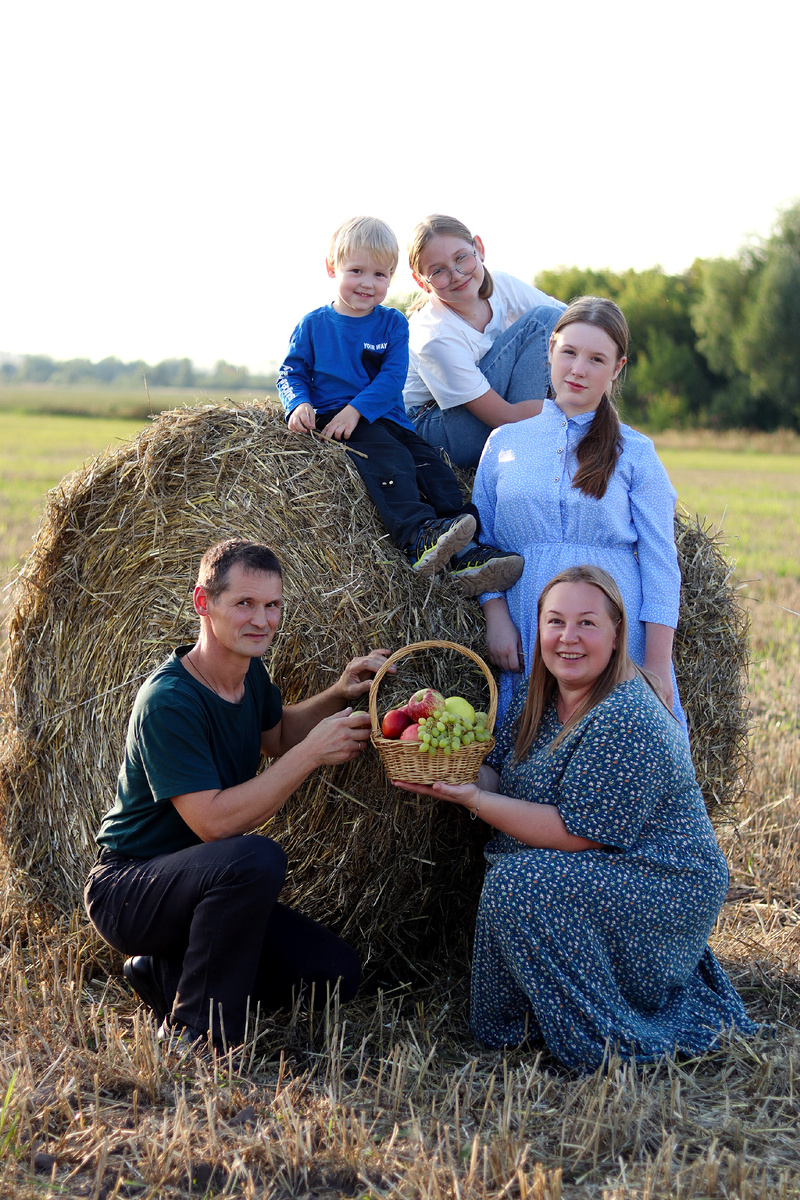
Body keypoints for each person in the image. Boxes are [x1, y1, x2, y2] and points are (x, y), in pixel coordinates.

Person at [395, 567, 759, 1072]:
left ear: (615, 636)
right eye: (555, 621)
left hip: (662, 876)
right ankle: (537, 1020)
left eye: (587, 623)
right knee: (515, 878)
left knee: (521, 883)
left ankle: (608, 1038)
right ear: (537, 627)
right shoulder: (534, 697)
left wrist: (472, 800)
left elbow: (577, 833)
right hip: (608, 865)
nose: (568, 638)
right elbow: (500, 776)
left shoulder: (627, 713)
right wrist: (443, 766)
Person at [84, 538, 391, 1052]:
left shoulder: (249, 676)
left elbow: (277, 736)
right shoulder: (170, 701)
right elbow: (215, 824)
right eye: (244, 604)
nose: (262, 620)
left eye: (272, 606)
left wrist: (339, 692)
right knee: (255, 857)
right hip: (131, 887)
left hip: (203, 886)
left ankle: (163, 972)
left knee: (334, 974)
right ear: (204, 603)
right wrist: (313, 755)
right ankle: (193, 1032)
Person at [276, 215, 523, 596]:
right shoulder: (314, 325)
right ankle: (417, 536)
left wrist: (359, 408)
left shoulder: (392, 323)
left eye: (380, 275)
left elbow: (391, 377)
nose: (367, 283)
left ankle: (468, 553)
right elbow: (291, 372)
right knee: (391, 462)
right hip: (339, 419)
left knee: (435, 469)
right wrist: (298, 404)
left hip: (387, 418)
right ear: (331, 267)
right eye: (356, 271)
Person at [473, 294, 686, 727]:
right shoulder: (503, 442)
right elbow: (482, 543)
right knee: (527, 759)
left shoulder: (636, 453)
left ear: (617, 368)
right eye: (569, 352)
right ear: (549, 349)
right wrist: (495, 614)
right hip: (530, 622)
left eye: (596, 358)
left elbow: (662, 563)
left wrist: (659, 663)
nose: (578, 369)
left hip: (610, 632)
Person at [404, 214, 566, 468]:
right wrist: (573, 413)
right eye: (438, 271)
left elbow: (571, 321)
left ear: (479, 248)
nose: (456, 275)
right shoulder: (434, 336)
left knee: (560, 324)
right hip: (432, 431)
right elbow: (505, 416)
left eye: (461, 258)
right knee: (541, 322)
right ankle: (528, 456)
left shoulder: (501, 284)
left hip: (483, 408)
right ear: (421, 282)